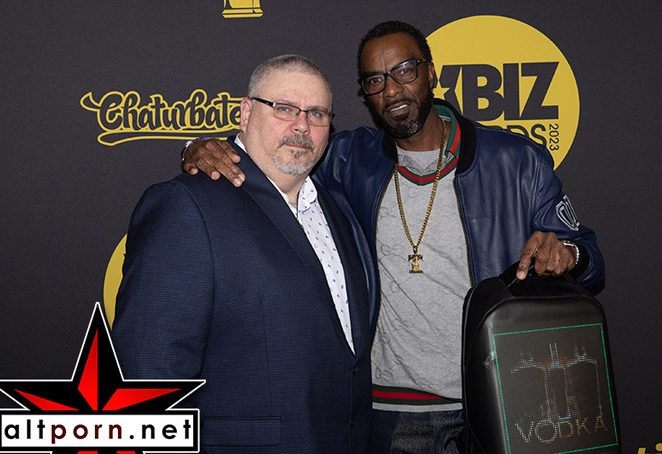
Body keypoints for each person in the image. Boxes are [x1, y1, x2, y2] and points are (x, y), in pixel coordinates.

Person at [181, 21, 605, 453]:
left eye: (405, 70)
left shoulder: (516, 161)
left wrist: (567, 253)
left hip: (500, 398)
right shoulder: (345, 159)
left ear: (430, 72)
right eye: (376, 80)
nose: (393, 90)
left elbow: (589, 259)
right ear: (365, 93)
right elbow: (273, 154)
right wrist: (199, 148)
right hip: (390, 410)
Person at [112, 54, 376, 454]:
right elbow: (149, 376)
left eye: (317, 113)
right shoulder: (187, 205)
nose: (301, 125)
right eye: (284, 108)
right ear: (246, 113)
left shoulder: (338, 208)